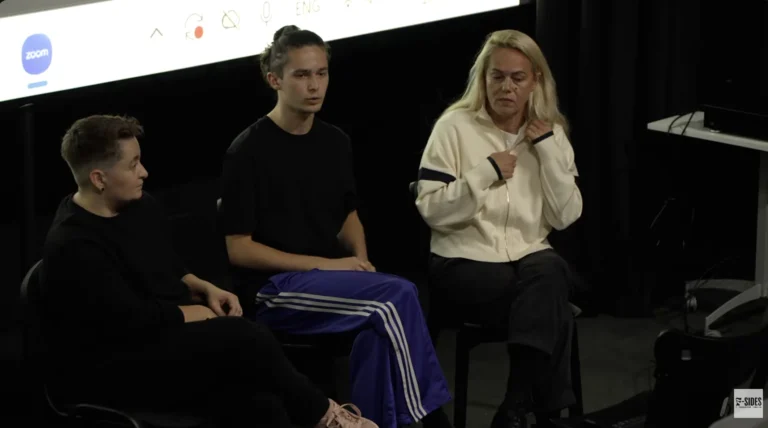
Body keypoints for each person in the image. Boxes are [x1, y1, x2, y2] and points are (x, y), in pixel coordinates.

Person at [39, 114, 378, 428]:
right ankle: (325, 416)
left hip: (159, 335)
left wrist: (203, 287)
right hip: (115, 363)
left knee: (260, 399)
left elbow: (167, 267)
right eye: (133, 165)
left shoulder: (139, 206)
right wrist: (195, 313)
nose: (144, 172)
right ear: (99, 179)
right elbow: (129, 320)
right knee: (243, 338)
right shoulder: (73, 245)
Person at [218, 25, 453, 428]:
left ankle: (371, 422)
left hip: (328, 281)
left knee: (378, 331)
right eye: (301, 75)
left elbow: (347, 215)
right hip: (272, 291)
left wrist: (360, 262)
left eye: (321, 73)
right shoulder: (248, 150)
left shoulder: (334, 141)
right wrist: (328, 266)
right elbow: (239, 248)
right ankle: (432, 419)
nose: (314, 85)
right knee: (397, 296)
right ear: (274, 80)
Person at [414, 29, 583, 428]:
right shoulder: (454, 127)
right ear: (483, 78)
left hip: (528, 256)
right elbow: (431, 208)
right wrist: (484, 173)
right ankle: (542, 412)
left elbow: (566, 216)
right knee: (552, 305)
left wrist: (548, 152)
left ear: (535, 81)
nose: (506, 87)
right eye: (497, 76)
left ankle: (514, 403)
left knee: (550, 270)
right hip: (463, 258)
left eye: (517, 78)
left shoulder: (551, 133)